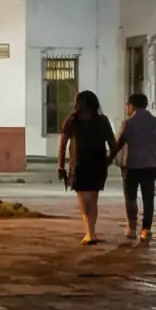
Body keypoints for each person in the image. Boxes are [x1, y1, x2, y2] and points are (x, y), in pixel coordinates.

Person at [57, 89, 115, 245]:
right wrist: (108, 160)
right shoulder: (101, 121)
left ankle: (90, 232)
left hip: (79, 165)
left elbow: (63, 144)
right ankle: (91, 231)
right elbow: (113, 145)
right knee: (92, 200)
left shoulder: (72, 121)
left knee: (85, 201)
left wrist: (61, 166)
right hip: (95, 165)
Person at [117, 92, 156, 242]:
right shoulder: (155, 122)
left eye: (128, 105)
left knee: (130, 197)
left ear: (132, 105)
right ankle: (146, 229)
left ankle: (131, 228)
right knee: (148, 198)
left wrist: (108, 159)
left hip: (131, 165)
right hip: (151, 165)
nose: (127, 108)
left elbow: (118, 143)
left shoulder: (128, 123)